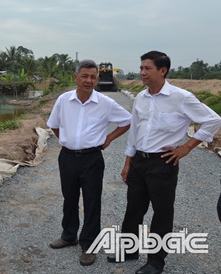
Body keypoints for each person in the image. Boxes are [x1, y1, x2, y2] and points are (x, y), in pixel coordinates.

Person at [108, 51, 221, 274]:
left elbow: (213, 120)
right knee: (133, 209)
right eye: (141, 68)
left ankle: (156, 262)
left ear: (163, 70)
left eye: (147, 68)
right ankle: (129, 250)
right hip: (139, 161)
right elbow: (134, 133)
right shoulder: (141, 97)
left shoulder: (181, 97)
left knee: (162, 213)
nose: (142, 73)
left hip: (163, 163)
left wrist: (186, 147)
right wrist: (128, 162)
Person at [46, 59, 132, 266]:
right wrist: (66, 140)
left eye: (93, 77)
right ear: (75, 77)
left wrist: (109, 138)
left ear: (98, 79)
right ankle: (69, 235)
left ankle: (90, 245)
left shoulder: (105, 103)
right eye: (84, 76)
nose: (89, 80)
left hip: (92, 159)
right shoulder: (64, 100)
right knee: (69, 198)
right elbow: (54, 125)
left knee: (92, 202)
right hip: (67, 158)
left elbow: (128, 120)